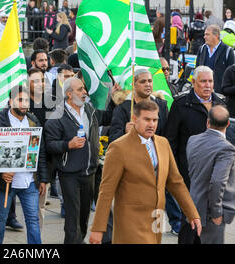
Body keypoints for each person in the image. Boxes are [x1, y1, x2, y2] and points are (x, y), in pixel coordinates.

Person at [89, 101, 201, 244]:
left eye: (155, 120)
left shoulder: (163, 143)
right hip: (131, 222)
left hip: (158, 218)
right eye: (147, 119)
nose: (151, 124)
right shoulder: (118, 148)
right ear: (135, 119)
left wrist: (192, 213)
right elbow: (106, 191)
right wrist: (98, 228)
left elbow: (176, 182)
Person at [165, 65, 225, 243]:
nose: (207, 85)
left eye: (210, 81)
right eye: (203, 81)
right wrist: (174, 172)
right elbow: (171, 140)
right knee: (190, 221)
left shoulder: (220, 103)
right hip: (189, 175)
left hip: (215, 174)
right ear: (193, 83)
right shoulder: (181, 104)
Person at [0, 85, 49, 244]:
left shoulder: (33, 121)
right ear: (10, 101)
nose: (24, 103)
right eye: (20, 100)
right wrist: (0, 173)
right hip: (6, 183)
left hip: (29, 182)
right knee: (0, 220)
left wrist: (43, 178)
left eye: (27, 100)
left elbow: (40, 151)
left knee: (33, 221)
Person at [44, 77, 101, 244]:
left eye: (84, 89)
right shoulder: (57, 115)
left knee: (84, 215)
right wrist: (68, 144)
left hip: (89, 172)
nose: (84, 92)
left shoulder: (89, 110)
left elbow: (107, 117)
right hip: (69, 174)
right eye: (80, 89)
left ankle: (79, 240)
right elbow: (49, 145)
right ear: (69, 94)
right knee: (72, 216)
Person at [187, 105, 235, 244]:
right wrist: (216, 213)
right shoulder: (227, 149)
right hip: (210, 215)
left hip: (192, 206)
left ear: (208, 122)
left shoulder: (192, 140)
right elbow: (218, 182)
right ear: (227, 123)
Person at [109, 68, 169, 143]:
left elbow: (168, 136)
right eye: (143, 81)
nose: (147, 84)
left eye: (150, 81)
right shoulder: (122, 109)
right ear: (134, 85)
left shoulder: (162, 105)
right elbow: (112, 140)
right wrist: (124, 132)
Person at [195, 24, 234, 94]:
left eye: (207, 34)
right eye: (204, 34)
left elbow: (232, 76)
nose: (204, 37)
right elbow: (197, 70)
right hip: (203, 93)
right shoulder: (202, 49)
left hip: (220, 95)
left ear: (216, 36)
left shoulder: (228, 51)